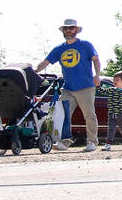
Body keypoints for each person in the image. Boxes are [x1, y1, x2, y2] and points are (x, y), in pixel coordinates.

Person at [36, 18, 102, 152]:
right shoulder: (59, 49)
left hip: (86, 86)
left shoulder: (86, 45)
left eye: (71, 28)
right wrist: (35, 71)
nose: (68, 30)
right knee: (62, 114)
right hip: (68, 88)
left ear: (76, 30)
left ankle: (92, 142)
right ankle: (64, 142)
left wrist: (97, 75)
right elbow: (46, 62)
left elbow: (96, 60)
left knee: (89, 115)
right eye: (66, 28)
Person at [99, 71, 122, 151]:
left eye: (117, 80)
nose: (114, 82)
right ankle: (108, 144)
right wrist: (97, 86)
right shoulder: (111, 90)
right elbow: (102, 91)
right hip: (112, 113)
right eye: (114, 80)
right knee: (111, 128)